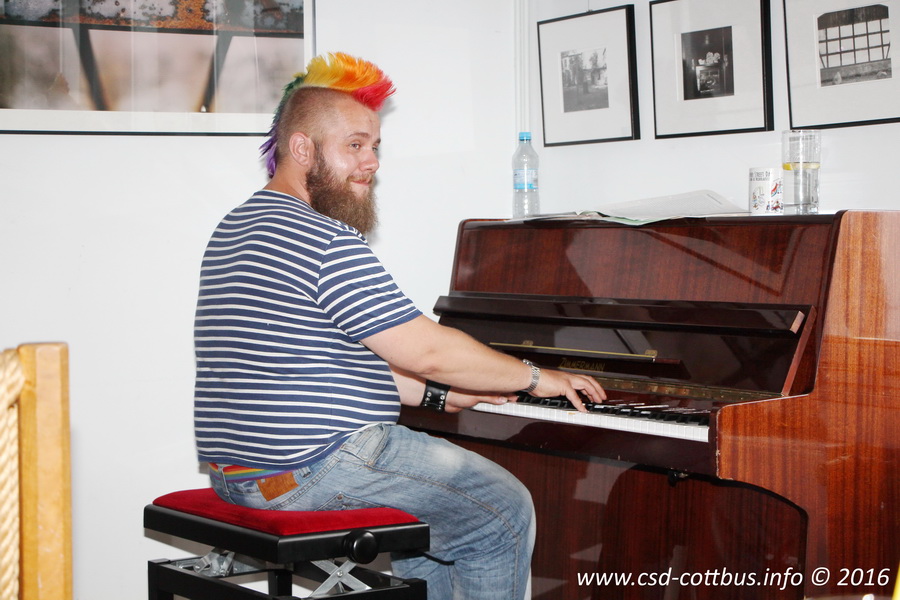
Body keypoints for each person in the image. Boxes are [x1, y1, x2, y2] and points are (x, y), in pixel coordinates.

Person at [193, 52, 606, 600]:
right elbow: (426, 350)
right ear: (302, 148)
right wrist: (535, 377)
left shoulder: (237, 227)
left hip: (240, 475)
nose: (371, 162)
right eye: (354, 145)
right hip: (315, 467)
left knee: (438, 519)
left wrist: (441, 396)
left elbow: (324, 361)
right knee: (503, 512)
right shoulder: (322, 238)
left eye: (375, 147)